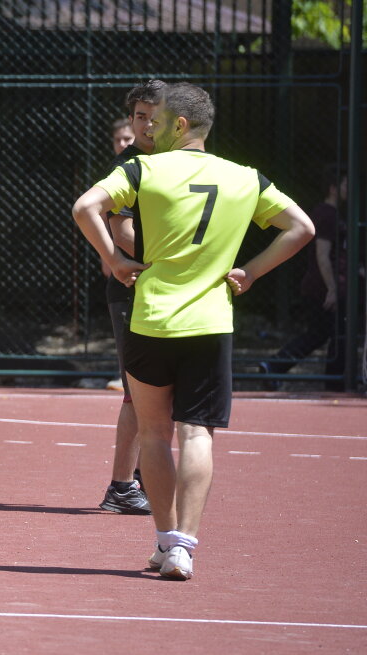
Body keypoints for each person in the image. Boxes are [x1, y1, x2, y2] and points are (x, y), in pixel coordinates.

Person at [72, 82, 313, 581]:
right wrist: (250, 272)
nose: (146, 128)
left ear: (179, 124)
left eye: (154, 120)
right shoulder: (246, 177)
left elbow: (84, 208)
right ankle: (184, 546)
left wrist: (114, 260)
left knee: (154, 432)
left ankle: (163, 541)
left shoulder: (141, 169)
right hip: (210, 321)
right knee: (197, 431)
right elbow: (301, 228)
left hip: (152, 318)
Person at [97, 81, 166, 516]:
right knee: (136, 394)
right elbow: (122, 231)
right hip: (133, 288)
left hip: (168, 288)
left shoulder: (179, 161)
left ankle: (139, 477)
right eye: (139, 116)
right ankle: (121, 487)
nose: (144, 125)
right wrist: (174, 260)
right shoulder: (128, 165)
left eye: (151, 116)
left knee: (161, 394)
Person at [260, 165, 348, 388]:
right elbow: (322, 253)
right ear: (333, 188)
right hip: (321, 288)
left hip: (328, 286)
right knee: (322, 333)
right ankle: (276, 366)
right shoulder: (326, 214)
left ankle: (332, 380)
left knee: (332, 334)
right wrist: (332, 288)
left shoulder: (334, 214)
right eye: (346, 185)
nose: (351, 189)